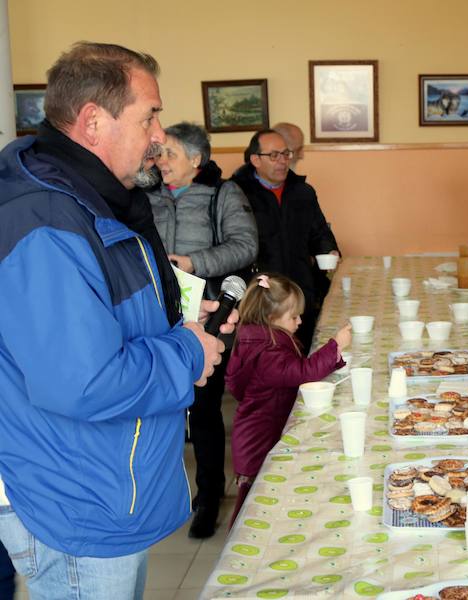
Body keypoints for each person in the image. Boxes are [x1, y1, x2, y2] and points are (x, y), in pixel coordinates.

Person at [0, 42, 231, 598]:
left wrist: (174, 317)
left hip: (100, 483)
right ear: (94, 122)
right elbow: (83, 381)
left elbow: (100, 315)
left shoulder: (91, 196)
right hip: (73, 498)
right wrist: (188, 353)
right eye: (148, 115)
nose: (159, 134)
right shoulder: (48, 217)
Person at [146, 121, 258, 538]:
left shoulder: (224, 194)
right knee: (161, 406)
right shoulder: (145, 193)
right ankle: (162, 495)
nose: (160, 161)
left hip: (207, 315)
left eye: (169, 154)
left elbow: (245, 245)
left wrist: (193, 263)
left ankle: (209, 496)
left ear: (196, 160)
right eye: (158, 153)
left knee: (204, 407)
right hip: (157, 315)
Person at [225, 274, 351, 528]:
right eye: (294, 317)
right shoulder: (268, 351)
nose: (300, 321)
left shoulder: (260, 341)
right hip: (259, 439)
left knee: (260, 492)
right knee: (254, 499)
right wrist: (335, 346)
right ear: (272, 319)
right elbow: (302, 373)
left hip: (260, 430)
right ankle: (243, 536)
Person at [232, 129, 340, 350]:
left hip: (300, 289)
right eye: (273, 155)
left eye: (286, 154)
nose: (282, 161)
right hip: (262, 292)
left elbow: (319, 232)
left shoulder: (303, 192)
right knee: (268, 355)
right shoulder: (236, 193)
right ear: (255, 160)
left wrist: (330, 250)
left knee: (303, 350)